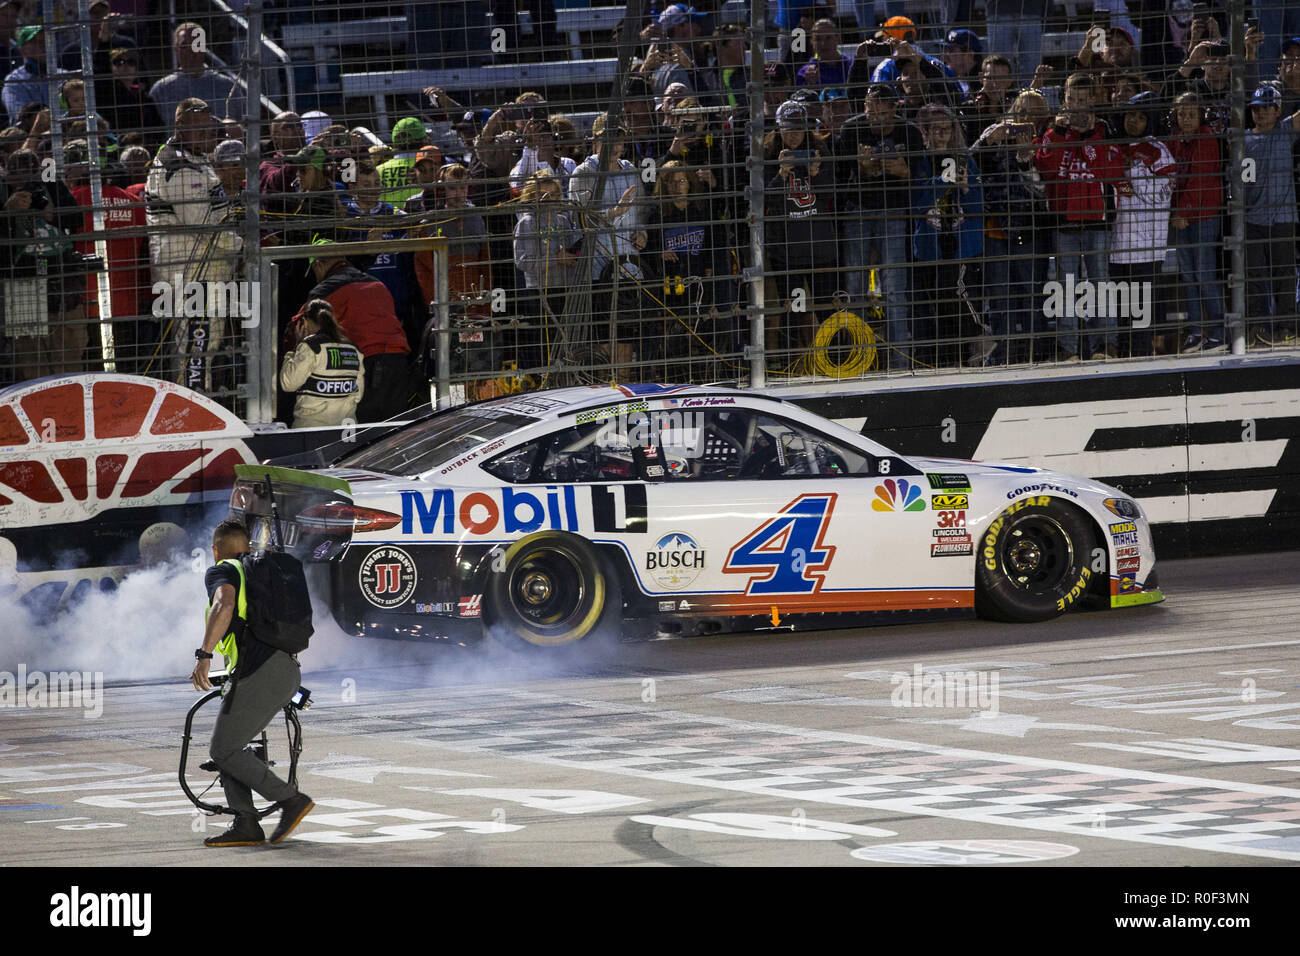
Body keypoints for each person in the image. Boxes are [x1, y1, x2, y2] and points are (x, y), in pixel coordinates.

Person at [191, 519, 314, 847]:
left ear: (216, 550)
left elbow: (225, 604)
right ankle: (246, 823)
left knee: (223, 748)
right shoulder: (263, 571)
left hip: (261, 671)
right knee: (230, 748)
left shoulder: (223, 569)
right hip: (283, 668)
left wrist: (204, 655)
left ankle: (290, 800)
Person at [145, 98, 243, 390]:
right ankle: (191, 411)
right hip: (191, 274)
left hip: (200, 270)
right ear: (180, 127)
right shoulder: (180, 166)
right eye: (198, 129)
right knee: (195, 348)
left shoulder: (193, 158)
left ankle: (197, 405)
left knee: (203, 345)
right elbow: (207, 227)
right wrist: (242, 246)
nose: (205, 135)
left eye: (208, 128)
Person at [1034, 73, 1124, 360]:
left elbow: (1108, 171)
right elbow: (1046, 170)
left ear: (1093, 101)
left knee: (1100, 283)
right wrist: (1062, 135)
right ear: (1064, 100)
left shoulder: (1105, 131)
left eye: (1083, 100)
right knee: (1065, 286)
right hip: (1064, 221)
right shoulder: (1053, 133)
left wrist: (1087, 137)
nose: (1076, 106)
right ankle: (1068, 348)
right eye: (1072, 99)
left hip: (1098, 220)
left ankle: (1106, 345)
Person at [298, 239, 412, 423]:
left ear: (318, 265)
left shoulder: (325, 291)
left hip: (367, 363)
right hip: (398, 361)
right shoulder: (378, 284)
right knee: (395, 429)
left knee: (366, 433)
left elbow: (301, 328)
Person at [1241, 85, 1300, 346]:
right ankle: (1256, 329)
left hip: (1282, 219)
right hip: (1252, 219)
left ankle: (1286, 328)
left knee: (1284, 275)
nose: (1261, 113)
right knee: (1252, 277)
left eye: (1266, 108)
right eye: (1256, 108)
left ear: (1278, 111)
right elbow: (1243, 181)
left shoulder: (1285, 131)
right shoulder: (1242, 139)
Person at [1168, 91, 1226, 354]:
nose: (1186, 118)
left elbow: (1200, 180)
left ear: (1200, 115)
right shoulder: (1177, 140)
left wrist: (1183, 211)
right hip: (1183, 216)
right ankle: (1194, 331)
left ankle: (1218, 332)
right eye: (1181, 113)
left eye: (1191, 113)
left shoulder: (1206, 139)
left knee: (1203, 274)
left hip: (1203, 216)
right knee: (1189, 276)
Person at [279, 298, 364, 428]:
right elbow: (358, 395)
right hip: (346, 429)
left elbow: (288, 383)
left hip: (312, 429)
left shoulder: (311, 347)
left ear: (305, 322)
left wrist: (294, 349)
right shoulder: (353, 349)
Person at [149, 22, 245, 131]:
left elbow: (241, 128)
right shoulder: (161, 89)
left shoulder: (228, 87)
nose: (191, 51)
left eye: (196, 45)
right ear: (176, 49)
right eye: (185, 46)